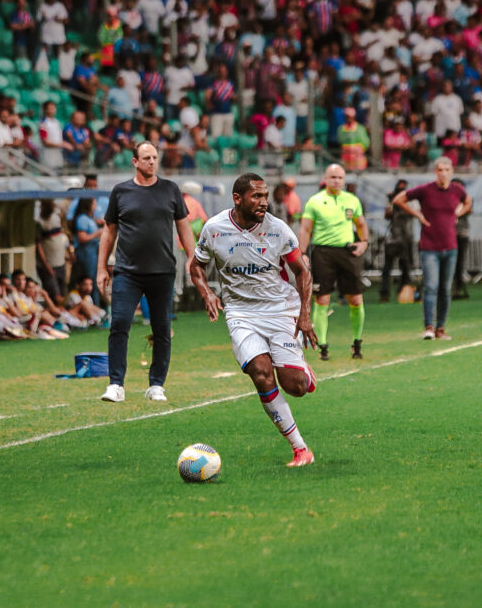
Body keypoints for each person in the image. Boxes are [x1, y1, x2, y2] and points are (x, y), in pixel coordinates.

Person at [188, 173, 318, 468]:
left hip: (280, 310)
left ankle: (301, 369)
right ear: (238, 199)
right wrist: (207, 292)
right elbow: (196, 266)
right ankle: (300, 449)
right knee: (261, 374)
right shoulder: (214, 229)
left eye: (265, 196)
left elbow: (302, 271)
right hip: (241, 314)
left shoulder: (278, 230)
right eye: (256, 197)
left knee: (295, 387)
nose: (263, 202)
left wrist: (305, 315)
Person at [96, 141, 196, 403]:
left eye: (154, 157)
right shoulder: (121, 192)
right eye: (146, 158)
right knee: (119, 323)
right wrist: (101, 268)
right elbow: (109, 231)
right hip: (127, 272)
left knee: (162, 329)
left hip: (162, 271)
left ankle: (156, 384)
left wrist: (192, 259)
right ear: (135, 162)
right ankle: (116, 384)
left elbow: (184, 226)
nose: (152, 162)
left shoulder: (170, 189)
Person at [392, 157, 471, 340]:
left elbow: (468, 201)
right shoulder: (426, 190)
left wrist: (458, 212)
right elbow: (399, 199)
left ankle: (441, 328)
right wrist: (418, 214)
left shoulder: (457, 190)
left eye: (446, 169)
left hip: (450, 246)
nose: (443, 173)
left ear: (452, 171)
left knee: (445, 288)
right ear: (435, 172)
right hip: (429, 247)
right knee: (431, 286)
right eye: (440, 170)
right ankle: (429, 326)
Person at [297, 164, 370, 361]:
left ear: (344, 180)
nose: (336, 180)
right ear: (325, 179)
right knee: (322, 299)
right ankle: (322, 345)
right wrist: (302, 252)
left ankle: (357, 342)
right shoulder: (315, 201)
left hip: (348, 252)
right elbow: (305, 229)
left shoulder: (352, 200)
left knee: (356, 299)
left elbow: (361, 223)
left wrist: (363, 243)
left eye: (340, 177)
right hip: (323, 253)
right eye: (333, 177)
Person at [380, 179, 413, 303]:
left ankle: (403, 292)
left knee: (405, 267)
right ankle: (384, 293)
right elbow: (387, 215)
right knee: (387, 267)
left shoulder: (411, 201)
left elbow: (412, 213)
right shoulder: (392, 202)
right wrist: (391, 202)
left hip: (406, 238)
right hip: (392, 239)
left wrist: (401, 202)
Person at [71, 197, 104, 304]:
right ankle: (91, 305)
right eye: (94, 204)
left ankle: (96, 306)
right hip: (86, 253)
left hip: (93, 253)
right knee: (90, 282)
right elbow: (82, 238)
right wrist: (97, 234)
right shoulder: (82, 219)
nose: (95, 206)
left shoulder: (90, 218)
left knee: (95, 281)